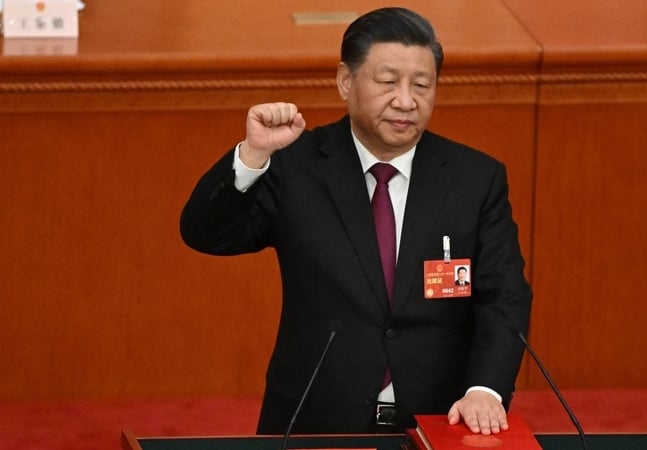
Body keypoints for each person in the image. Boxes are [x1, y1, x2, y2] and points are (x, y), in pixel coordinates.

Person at [180, 7, 532, 436]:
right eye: (388, 83)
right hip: (315, 421)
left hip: (439, 422)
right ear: (346, 81)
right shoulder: (297, 167)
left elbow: (504, 296)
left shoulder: (475, 179)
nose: (406, 101)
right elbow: (205, 233)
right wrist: (252, 157)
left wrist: (486, 389)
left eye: (422, 85)